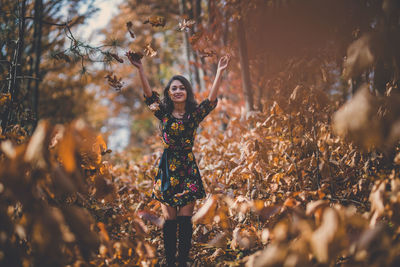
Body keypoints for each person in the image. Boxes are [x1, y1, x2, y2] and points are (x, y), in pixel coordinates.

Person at [127, 51, 230, 267]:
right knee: (170, 220)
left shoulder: (194, 115)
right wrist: (141, 70)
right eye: (174, 88)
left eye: (182, 87)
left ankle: (182, 261)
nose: (178, 90)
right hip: (167, 170)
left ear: (187, 92)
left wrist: (219, 72)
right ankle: (170, 262)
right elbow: (149, 97)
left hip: (188, 169)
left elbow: (210, 101)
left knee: (185, 220)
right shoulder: (162, 113)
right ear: (169, 93)